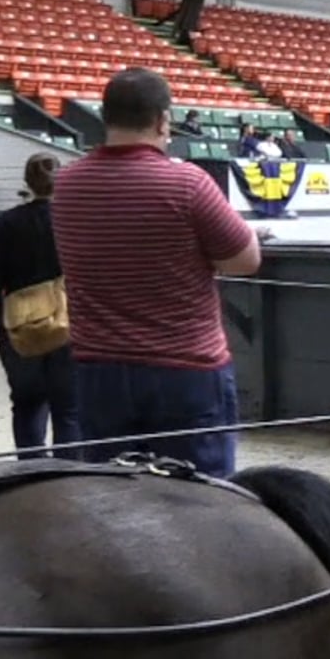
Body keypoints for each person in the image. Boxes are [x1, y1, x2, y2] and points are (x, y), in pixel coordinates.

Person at [50, 67, 265, 478]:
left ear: (105, 117)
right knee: (201, 501)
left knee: (113, 496)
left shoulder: (68, 185)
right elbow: (245, 259)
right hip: (185, 372)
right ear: (162, 120)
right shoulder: (187, 183)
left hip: (100, 371)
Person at [0, 153, 82, 457]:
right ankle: (69, 478)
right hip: (68, 322)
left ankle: (30, 475)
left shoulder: (8, 222)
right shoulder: (76, 218)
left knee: (27, 404)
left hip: (20, 325)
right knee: (69, 409)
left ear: (27, 183)